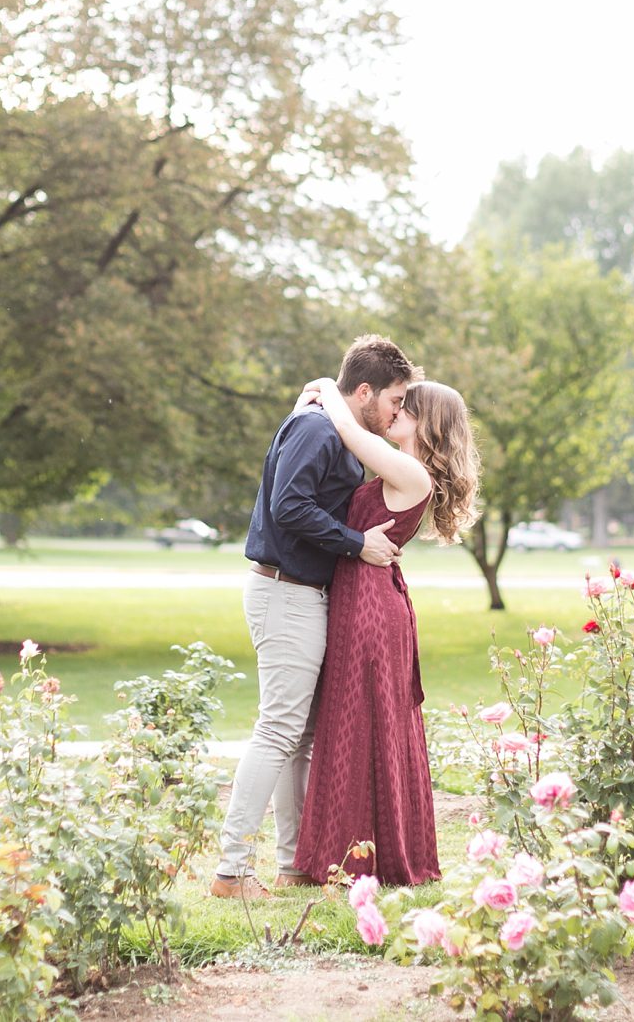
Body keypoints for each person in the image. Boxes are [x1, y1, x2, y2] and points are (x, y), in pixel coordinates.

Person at [208, 335, 421, 900]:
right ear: (366, 390)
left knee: (298, 735)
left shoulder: (336, 430)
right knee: (278, 727)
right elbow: (289, 506)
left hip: (305, 594)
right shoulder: (314, 428)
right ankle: (230, 871)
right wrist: (358, 544)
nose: (399, 411)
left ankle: (292, 864)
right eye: (396, 399)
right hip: (285, 592)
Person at [293, 375, 480, 887]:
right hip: (364, 600)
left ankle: (362, 858)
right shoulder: (403, 467)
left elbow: (355, 437)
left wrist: (328, 391)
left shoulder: (413, 473)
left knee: (361, 723)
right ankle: (348, 852)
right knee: (357, 723)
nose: (394, 411)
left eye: (405, 406)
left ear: (428, 421)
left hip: (372, 611)